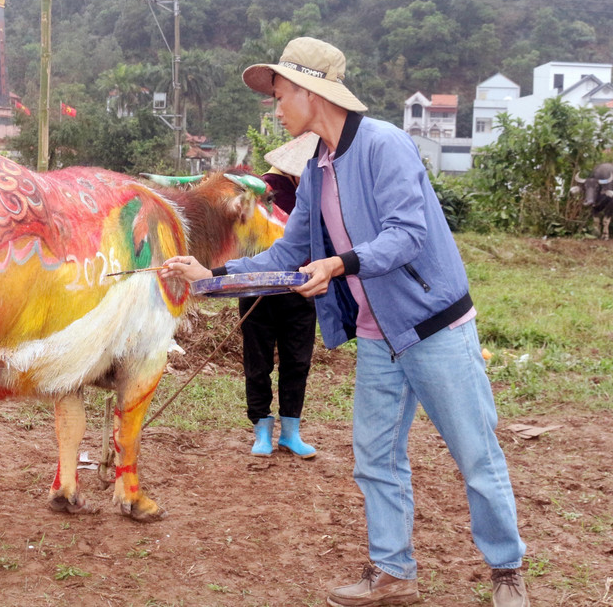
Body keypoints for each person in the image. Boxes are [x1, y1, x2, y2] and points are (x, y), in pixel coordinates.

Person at [160, 37, 530, 607]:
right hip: (381, 340)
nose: (276, 108)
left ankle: (507, 570)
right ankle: (392, 574)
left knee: (475, 454)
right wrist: (209, 275)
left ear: (311, 92)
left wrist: (338, 263)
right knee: (376, 458)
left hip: (436, 330)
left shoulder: (387, 145)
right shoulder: (318, 168)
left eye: (280, 94)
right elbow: (287, 253)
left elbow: (408, 235)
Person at [241, 153, 317, 459]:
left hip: (300, 286)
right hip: (261, 286)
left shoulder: (312, 192)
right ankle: (264, 432)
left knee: (294, 361)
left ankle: (289, 433)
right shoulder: (258, 190)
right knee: (265, 362)